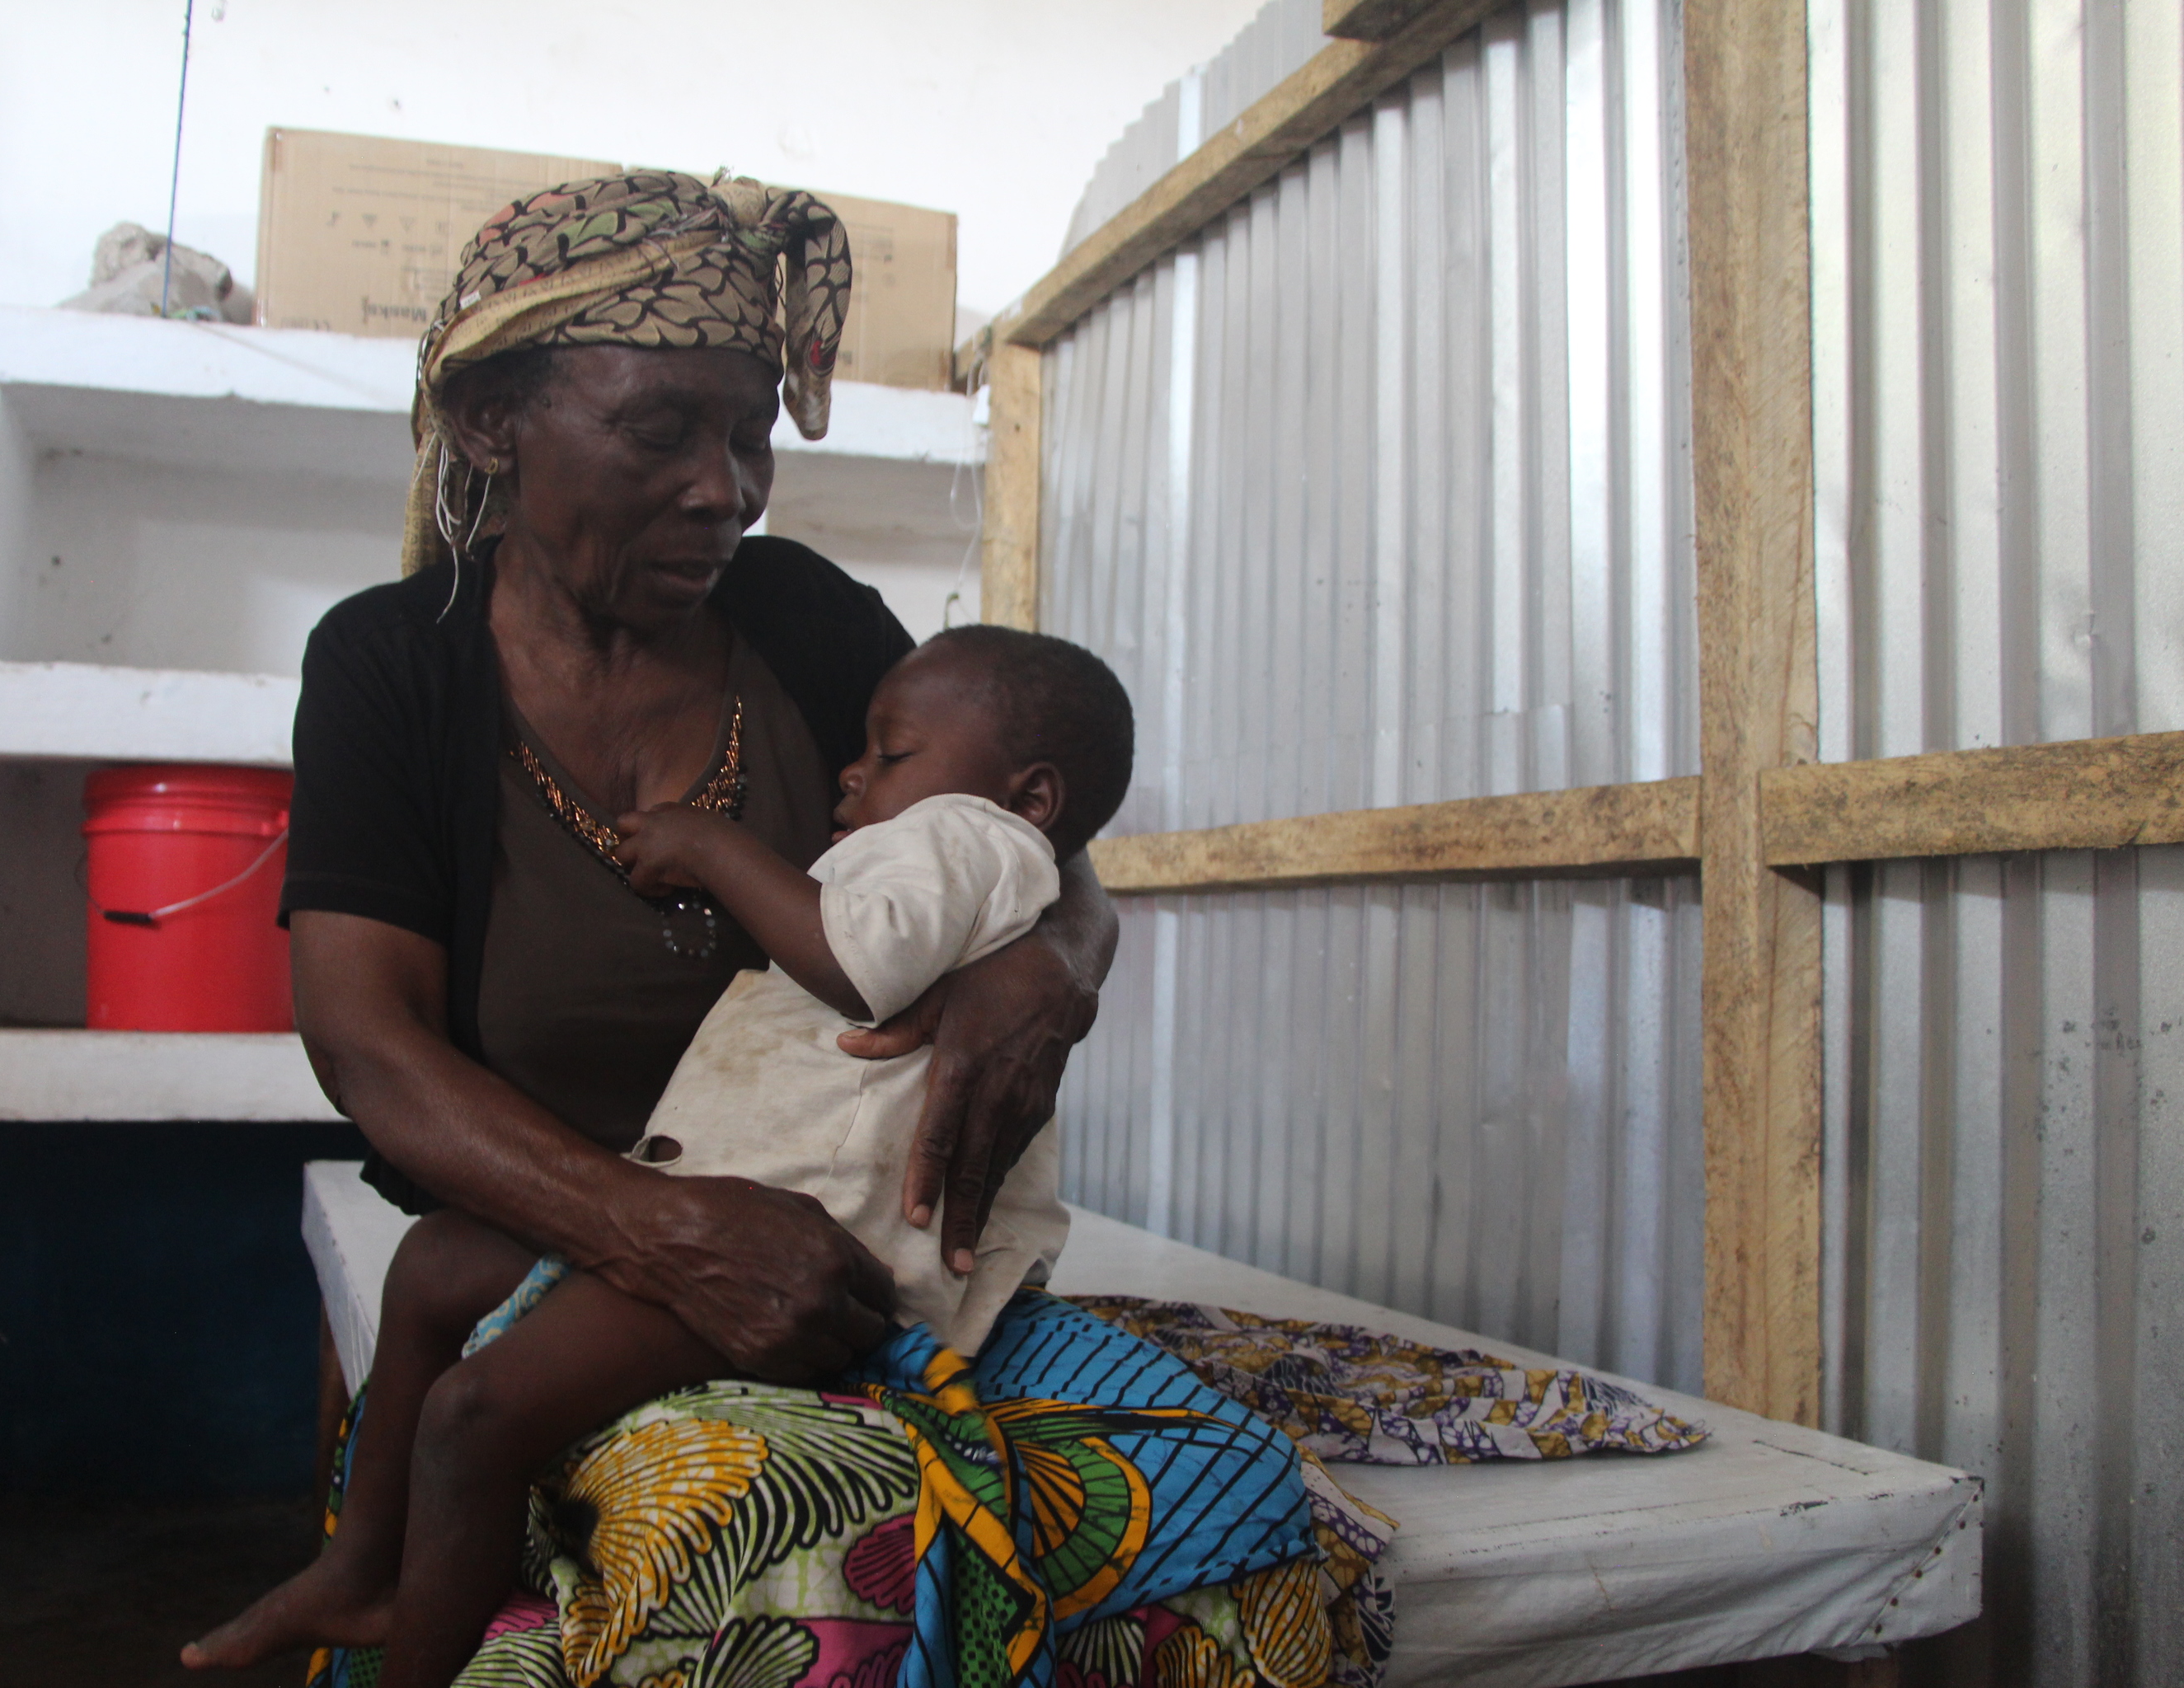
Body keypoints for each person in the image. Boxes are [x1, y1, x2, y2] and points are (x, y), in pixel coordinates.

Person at [182, 171, 1367, 1688]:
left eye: (749, 437)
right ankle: (368, 1582)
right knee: (701, 1487)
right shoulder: (393, 665)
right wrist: (659, 1231)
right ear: (488, 420)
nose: (726, 489)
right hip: (595, 1219)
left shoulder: (802, 620)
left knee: (1198, 1499)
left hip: (833, 1220)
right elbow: (368, 1040)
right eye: (661, 431)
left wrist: (1051, 970)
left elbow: (1039, 834)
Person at [197, 625, 1134, 1686]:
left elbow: (861, 963)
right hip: (731, 1199)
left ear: (1032, 797)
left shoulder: (969, 833)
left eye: (892, 752)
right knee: (434, 1262)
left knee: (474, 1414)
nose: (853, 770)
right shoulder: (947, 837)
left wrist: (712, 849)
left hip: (818, 1249)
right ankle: (362, 1566)